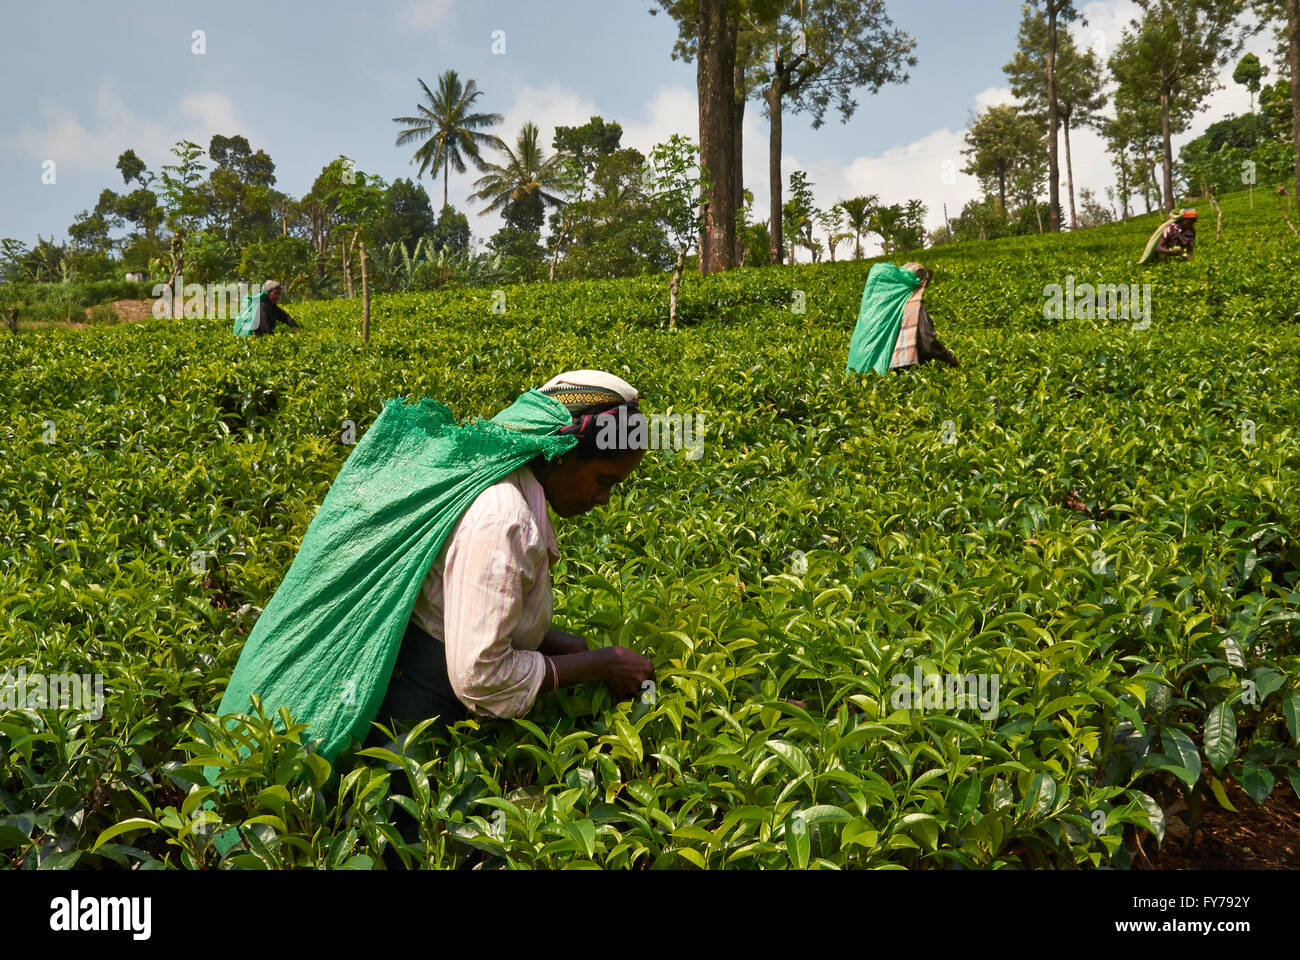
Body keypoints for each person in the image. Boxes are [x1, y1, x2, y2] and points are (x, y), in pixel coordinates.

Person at [369, 370, 657, 739]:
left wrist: (556, 642)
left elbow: (456, 604)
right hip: (418, 722)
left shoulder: (504, 485)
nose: (604, 499)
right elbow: (481, 676)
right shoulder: (504, 518)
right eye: (604, 480)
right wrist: (602, 664)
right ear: (562, 456)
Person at [847, 261, 958, 375]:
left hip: (860, 372)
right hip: (898, 373)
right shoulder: (913, 306)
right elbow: (927, 343)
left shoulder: (877, 307)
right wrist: (948, 357)